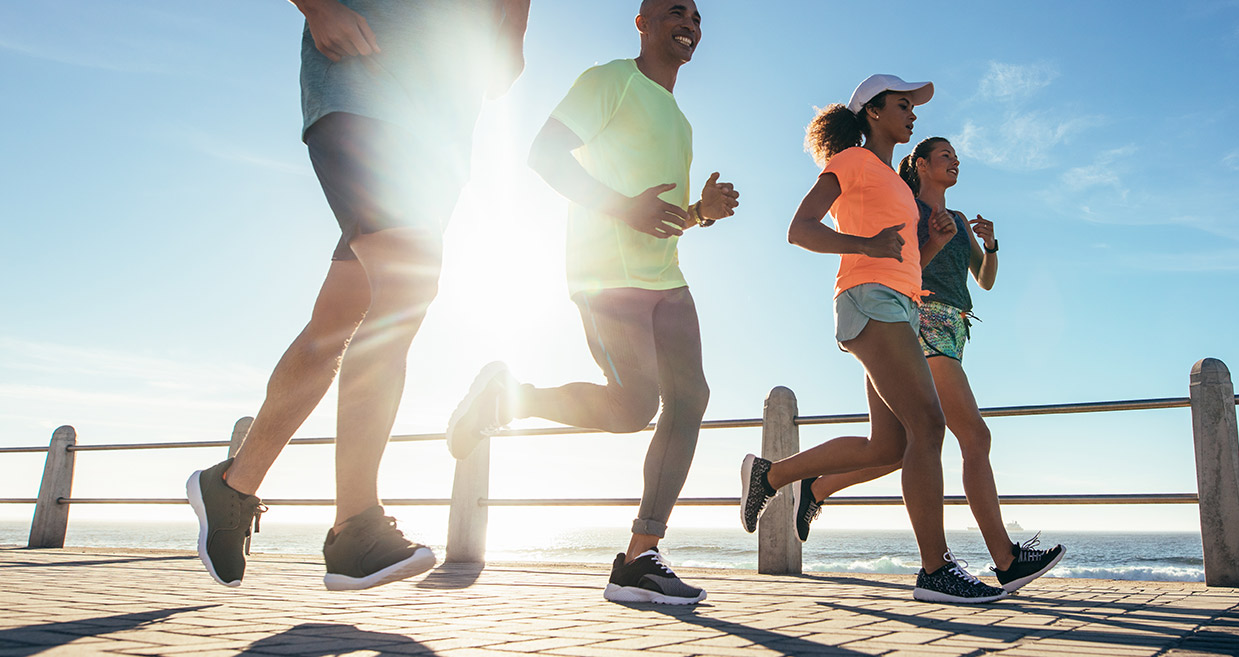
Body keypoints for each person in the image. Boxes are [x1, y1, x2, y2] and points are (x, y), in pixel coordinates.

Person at [184, 0, 531, 591]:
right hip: (361, 93)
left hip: (437, 138)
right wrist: (316, 7)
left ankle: (233, 485)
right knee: (404, 291)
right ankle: (355, 527)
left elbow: (505, 64)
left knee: (334, 325)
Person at [445, 0, 738, 605]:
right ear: (643, 23)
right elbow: (544, 154)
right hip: (606, 275)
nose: (689, 22)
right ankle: (509, 398)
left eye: (697, 16)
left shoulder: (678, 118)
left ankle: (641, 555)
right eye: (674, 11)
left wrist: (701, 215)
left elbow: (663, 217)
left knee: (690, 399)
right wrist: (622, 207)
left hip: (665, 275)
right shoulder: (611, 79)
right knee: (634, 406)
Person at [736, 74, 1009, 604]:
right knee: (929, 425)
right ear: (874, 113)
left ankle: (772, 476)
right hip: (868, 299)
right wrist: (866, 242)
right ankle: (935, 571)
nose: (912, 114)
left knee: (891, 445)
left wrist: (931, 245)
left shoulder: (895, 185)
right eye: (903, 105)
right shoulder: (853, 162)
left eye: (914, 107)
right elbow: (801, 228)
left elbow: (902, 258)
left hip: (902, 306)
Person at [792, 137, 1068, 593]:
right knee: (972, 435)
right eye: (945, 156)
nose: (955, 161)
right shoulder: (905, 203)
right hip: (919, 320)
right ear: (920, 165)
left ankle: (813, 487)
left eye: (956, 157)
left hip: (954, 328)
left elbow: (985, 279)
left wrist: (991, 244)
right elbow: (903, 261)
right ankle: (1004, 558)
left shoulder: (958, 219)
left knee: (897, 446)